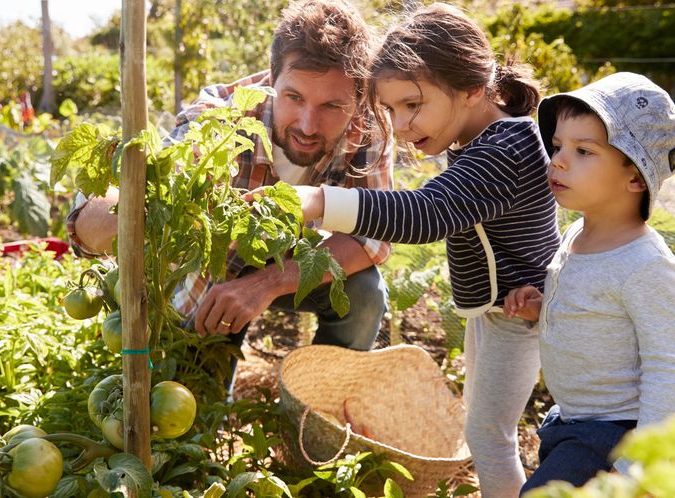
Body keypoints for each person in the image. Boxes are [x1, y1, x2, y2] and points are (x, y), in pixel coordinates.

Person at [274, 4, 561, 496]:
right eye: (390, 110)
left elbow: (426, 213)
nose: (402, 125)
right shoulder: (479, 137)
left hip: (518, 314)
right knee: (488, 427)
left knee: (489, 437)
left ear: (472, 89)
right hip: (499, 311)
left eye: (412, 104)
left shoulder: (505, 149)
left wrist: (320, 201)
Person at [67, 0, 393, 392]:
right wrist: (121, 209)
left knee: (364, 293)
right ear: (271, 80)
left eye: (332, 106)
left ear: (358, 98)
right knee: (193, 405)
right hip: (214, 275)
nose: (308, 124)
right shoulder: (220, 119)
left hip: (292, 262)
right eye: (293, 97)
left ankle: (318, 413)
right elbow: (95, 226)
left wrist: (267, 283)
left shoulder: (369, 126)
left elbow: (372, 235)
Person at [502, 72, 675, 493]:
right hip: (571, 420)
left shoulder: (644, 265)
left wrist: (636, 468)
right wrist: (542, 308)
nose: (557, 160)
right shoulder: (576, 235)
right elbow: (597, 315)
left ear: (635, 178)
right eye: (558, 146)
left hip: (616, 433)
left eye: (583, 151)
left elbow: (666, 366)